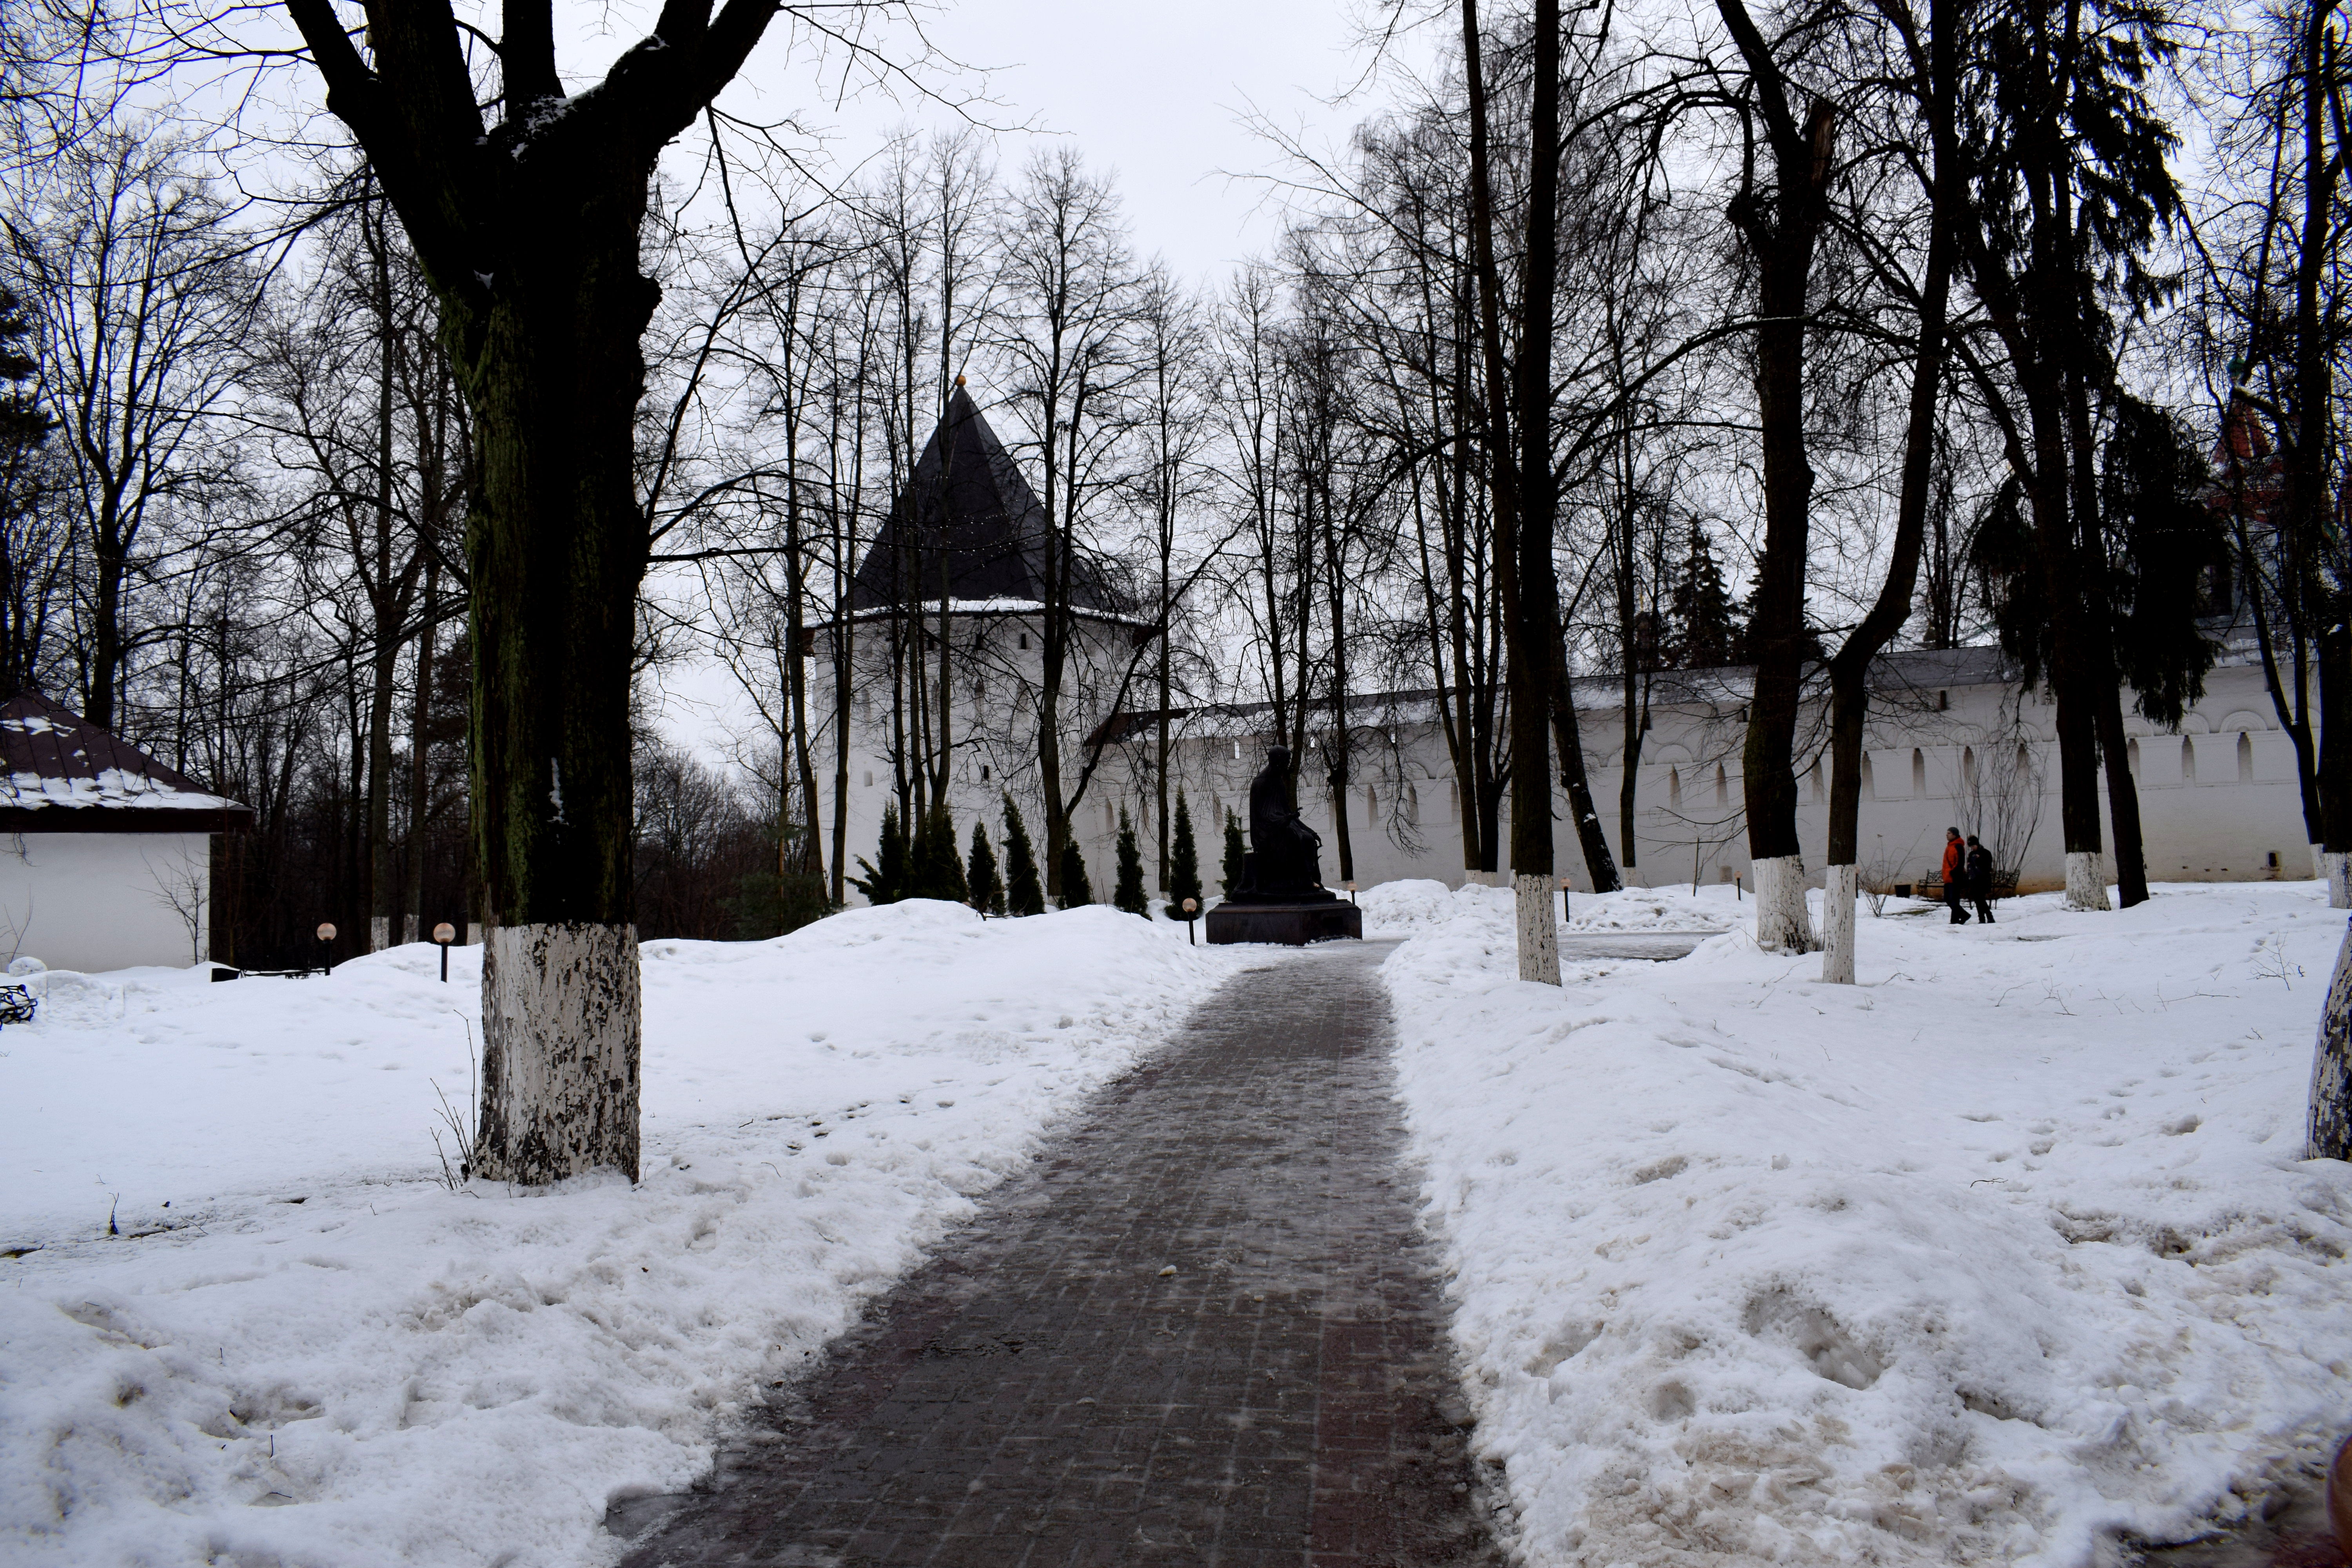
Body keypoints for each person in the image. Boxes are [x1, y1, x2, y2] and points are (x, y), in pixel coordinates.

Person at [1940, 826, 1970, 924]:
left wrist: (1953, 872)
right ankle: (1957, 919)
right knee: (1950, 899)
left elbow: (1960, 862)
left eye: (1949, 833)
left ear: (1954, 835)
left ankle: (1960, 918)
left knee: (1952, 899)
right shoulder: (1950, 846)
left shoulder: (1958, 846)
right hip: (1948, 877)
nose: (1947, 835)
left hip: (1954, 877)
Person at [1965, 834, 1996, 924]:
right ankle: (1982, 919)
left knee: (1981, 899)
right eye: (1971, 847)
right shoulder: (1971, 854)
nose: (1973, 848)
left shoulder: (1986, 853)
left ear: (1977, 844)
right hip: (1974, 880)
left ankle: (1989, 917)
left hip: (1983, 880)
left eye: (1974, 846)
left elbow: (1988, 866)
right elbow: (1970, 866)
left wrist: (1979, 860)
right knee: (1978, 900)